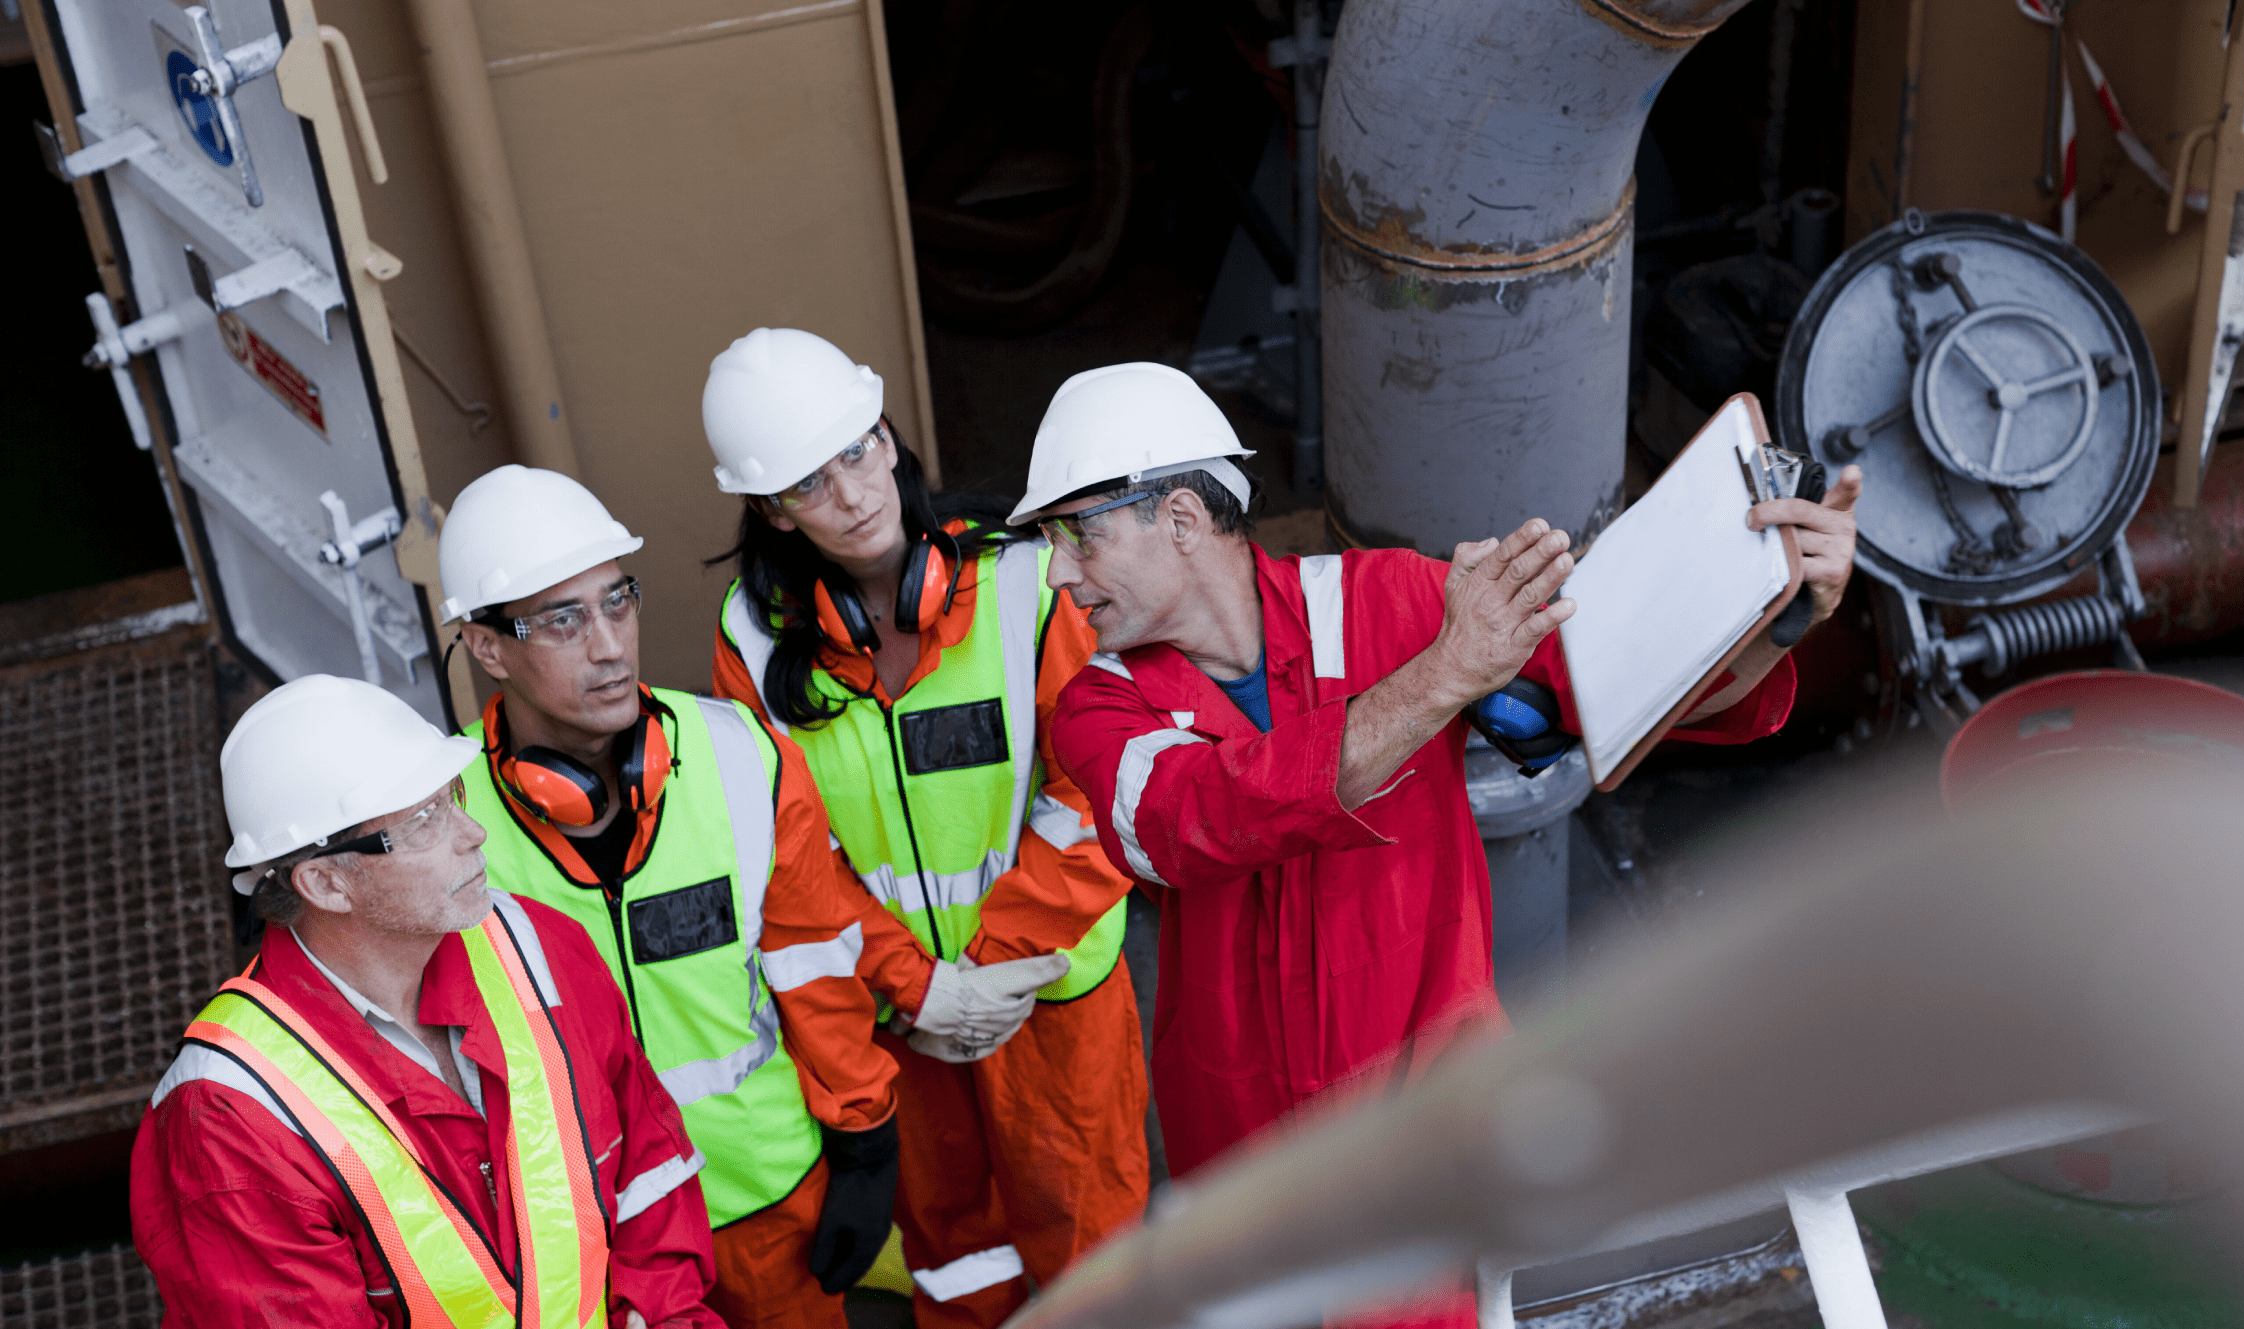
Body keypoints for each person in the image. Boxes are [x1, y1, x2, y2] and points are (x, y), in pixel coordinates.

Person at [1016, 363, 1862, 1322]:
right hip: (1246, 1154)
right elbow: (1191, 817)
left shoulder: (1394, 601)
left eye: (1077, 531)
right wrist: (1444, 675)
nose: (1059, 572)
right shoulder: (1096, 705)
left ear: (1177, 516)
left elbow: (1614, 686)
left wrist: (1776, 613)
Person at [702, 328, 1150, 1329]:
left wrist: (991, 969)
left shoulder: (1032, 586)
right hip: (906, 1020)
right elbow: (791, 860)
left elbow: (1096, 795)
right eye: (812, 483)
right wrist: (926, 990)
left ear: (892, 439)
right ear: (773, 509)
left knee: (1096, 1251)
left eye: (860, 451)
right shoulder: (750, 641)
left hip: (1049, 1000)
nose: (854, 495)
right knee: (952, 1255)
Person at [440, 465, 901, 1329]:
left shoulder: (741, 755)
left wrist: (865, 1137)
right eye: (564, 619)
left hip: (767, 1197)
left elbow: (815, 965)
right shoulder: (444, 817)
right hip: (589, 1238)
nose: (611, 645)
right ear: (488, 645)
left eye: (619, 601)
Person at [133, 673, 725, 1327]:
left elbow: (649, 1169)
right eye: (423, 821)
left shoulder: (537, 946)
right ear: (327, 881)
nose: (471, 832)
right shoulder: (229, 1118)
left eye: (454, 797)